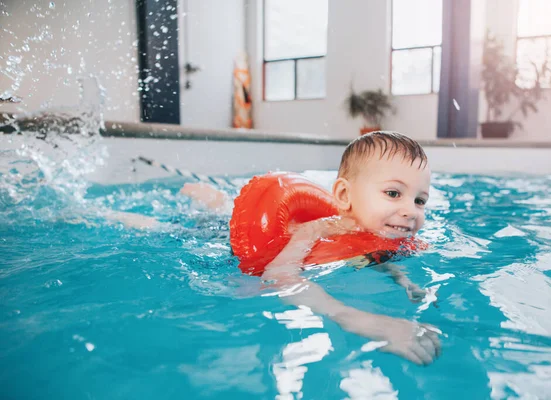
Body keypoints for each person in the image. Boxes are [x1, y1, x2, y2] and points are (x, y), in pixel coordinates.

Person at [110, 131, 441, 365]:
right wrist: (362, 321)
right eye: (394, 194)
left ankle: (215, 201)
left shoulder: (384, 237)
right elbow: (280, 277)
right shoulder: (316, 231)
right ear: (343, 196)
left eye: (420, 200)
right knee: (179, 229)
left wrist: (405, 282)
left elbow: (373, 257)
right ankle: (192, 205)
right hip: (227, 241)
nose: (411, 210)